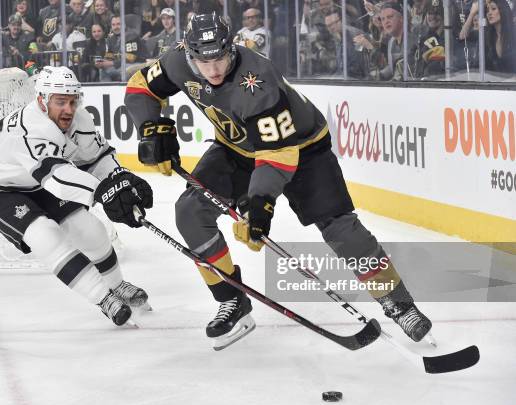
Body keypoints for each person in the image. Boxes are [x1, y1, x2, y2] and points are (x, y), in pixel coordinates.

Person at [124, 13, 432, 349]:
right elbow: (140, 87)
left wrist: (260, 205)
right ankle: (232, 299)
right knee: (189, 212)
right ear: (189, 54)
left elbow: (277, 155)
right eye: (203, 61)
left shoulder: (258, 78)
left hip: (302, 148)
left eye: (220, 59)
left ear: (232, 48)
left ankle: (398, 302)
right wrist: (151, 127)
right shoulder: (177, 61)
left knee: (341, 228)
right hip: (238, 148)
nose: (212, 71)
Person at [0, 66, 152, 326]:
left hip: (33, 180)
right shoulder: (32, 128)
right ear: (41, 101)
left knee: (89, 228)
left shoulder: (80, 120)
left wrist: (119, 180)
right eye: (60, 102)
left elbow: (97, 158)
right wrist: (104, 192)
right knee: (44, 234)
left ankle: (117, 285)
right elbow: (57, 178)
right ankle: (103, 298)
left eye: (72, 101)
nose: (68, 109)